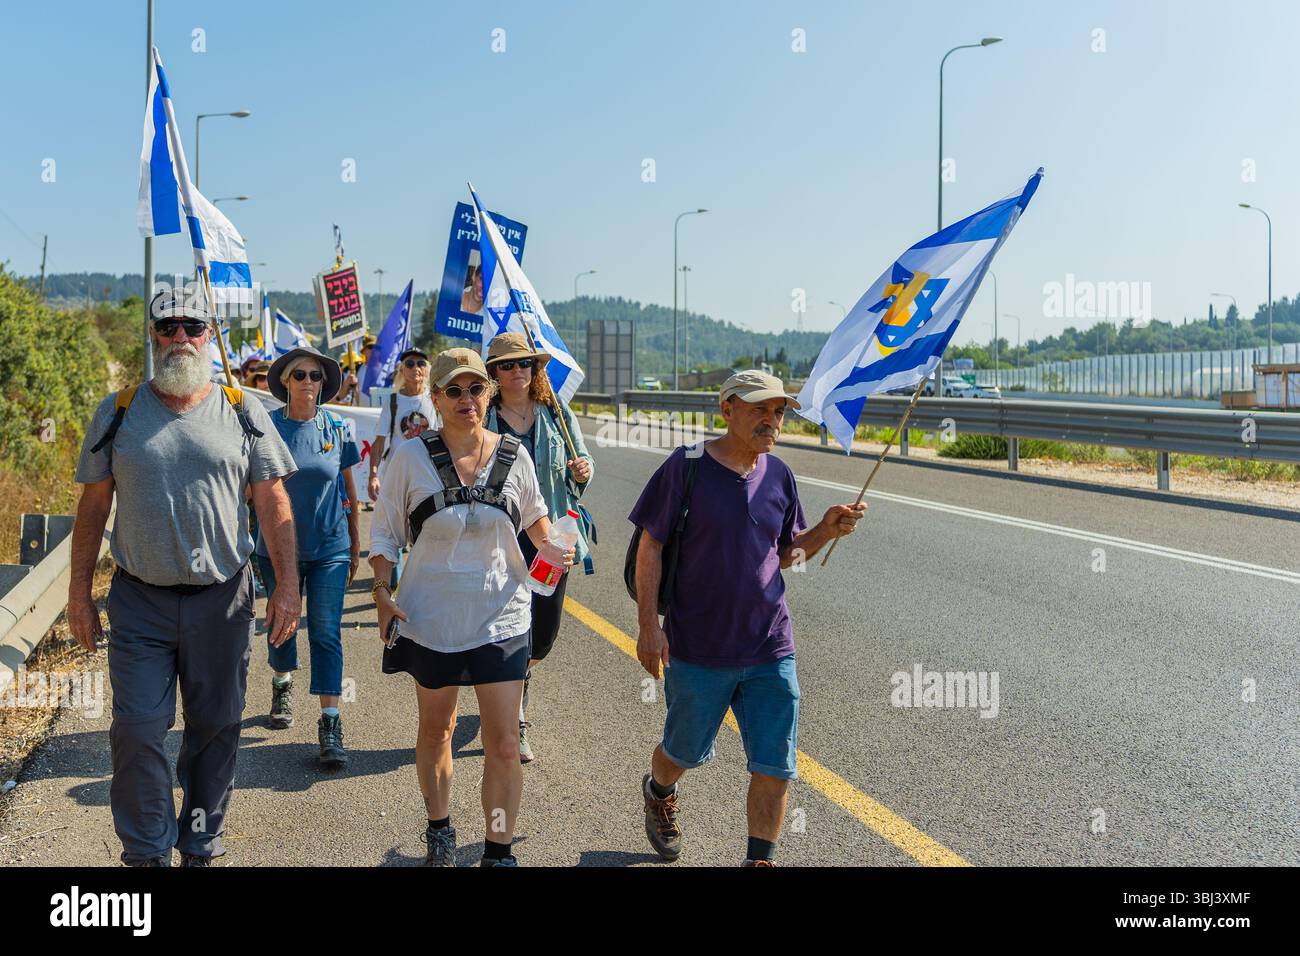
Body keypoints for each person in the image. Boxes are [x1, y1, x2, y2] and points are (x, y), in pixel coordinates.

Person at [67, 288, 299, 867]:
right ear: (152, 335)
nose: (179, 337)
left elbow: (273, 502)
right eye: (167, 326)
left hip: (222, 602)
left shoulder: (242, 410)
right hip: (139, 601)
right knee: (139, 729)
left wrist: (287, 587)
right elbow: (93, 508)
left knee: (216, 727)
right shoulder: (117, 411)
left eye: (192, 326)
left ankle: (199, 841)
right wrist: (78, 594)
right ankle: (146, 854)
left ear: (209, 335)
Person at [628, 370, 866, 867]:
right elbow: (651, 546)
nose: (771, 419)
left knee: (775, 764)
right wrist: (649, 626)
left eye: (778, 411)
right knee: (683, 752)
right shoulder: (686, 467)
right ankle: (659, 790)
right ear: (727, 409)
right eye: (759, 408)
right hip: (698, 646)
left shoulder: (779, 475)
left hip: (769, 646)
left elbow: (785, 557)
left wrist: (824, 530)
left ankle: (760, 858)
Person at [369, 348, 574, 867]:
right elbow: (385, 536)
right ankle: (439, 828)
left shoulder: (514, 456)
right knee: (437, 730)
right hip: (430, 618)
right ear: (435, 398)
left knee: (504, 744)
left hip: (502, 616)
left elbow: (537, 522)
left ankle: (497, 849)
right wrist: (381, 592)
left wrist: (555, 547)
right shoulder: (409, 460)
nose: (467, 399)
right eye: (453, 391)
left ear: (489, 393)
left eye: (476, 388)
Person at [483, 332, 594, 763]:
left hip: (553, 538)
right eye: (508, 365)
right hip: (502, 539)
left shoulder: (556, 413)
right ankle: (515, 716)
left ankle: (518, 681)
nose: (517, 371)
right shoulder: (485, 417)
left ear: (535, 370)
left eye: (525, 364)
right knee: (510, 627)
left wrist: (583, 469)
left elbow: (582, 464)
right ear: (494, 373)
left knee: (543, 632)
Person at [256, 346, 361, 768]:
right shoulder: (266, 427)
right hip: (276, 548)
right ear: (285, 381)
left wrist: (355, 542)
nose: (307, 382)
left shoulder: (338, 427)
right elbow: (252, 485)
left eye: (314, 376)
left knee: (325, 630)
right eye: (299, 375)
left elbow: (348, 488)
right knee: (282, 626)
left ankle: (330, 722)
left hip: (330, 547)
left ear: (323, 383)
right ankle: (282, 682)